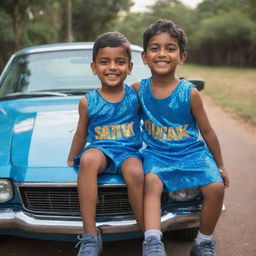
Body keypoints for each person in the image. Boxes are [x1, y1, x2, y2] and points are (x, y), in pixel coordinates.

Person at [132, 19, 230, 256]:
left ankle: (203, 242)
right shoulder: (138, 89)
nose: (162, 53)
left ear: (182, 56)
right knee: (152, 182)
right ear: (144, 57)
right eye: (155, 48)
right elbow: (121, 117)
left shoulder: (190, 93)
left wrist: (220, 164)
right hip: (157, 152)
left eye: (170, 48)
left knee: (216, 186)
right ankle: (153, 242)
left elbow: (207, 131)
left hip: (190, 152)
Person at [67, 31, 144, 256]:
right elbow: (81, 133)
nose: (112, 67)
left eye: (120, 62)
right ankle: (91, 235)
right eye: (104, 62)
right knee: (88, 160)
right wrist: (72, 155)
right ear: (94, 68)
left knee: (136, 173)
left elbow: (158, 93)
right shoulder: (87, 101)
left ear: (129, 67)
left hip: (128, 149)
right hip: (101, 148)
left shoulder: (135, 94)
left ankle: (147, 234)